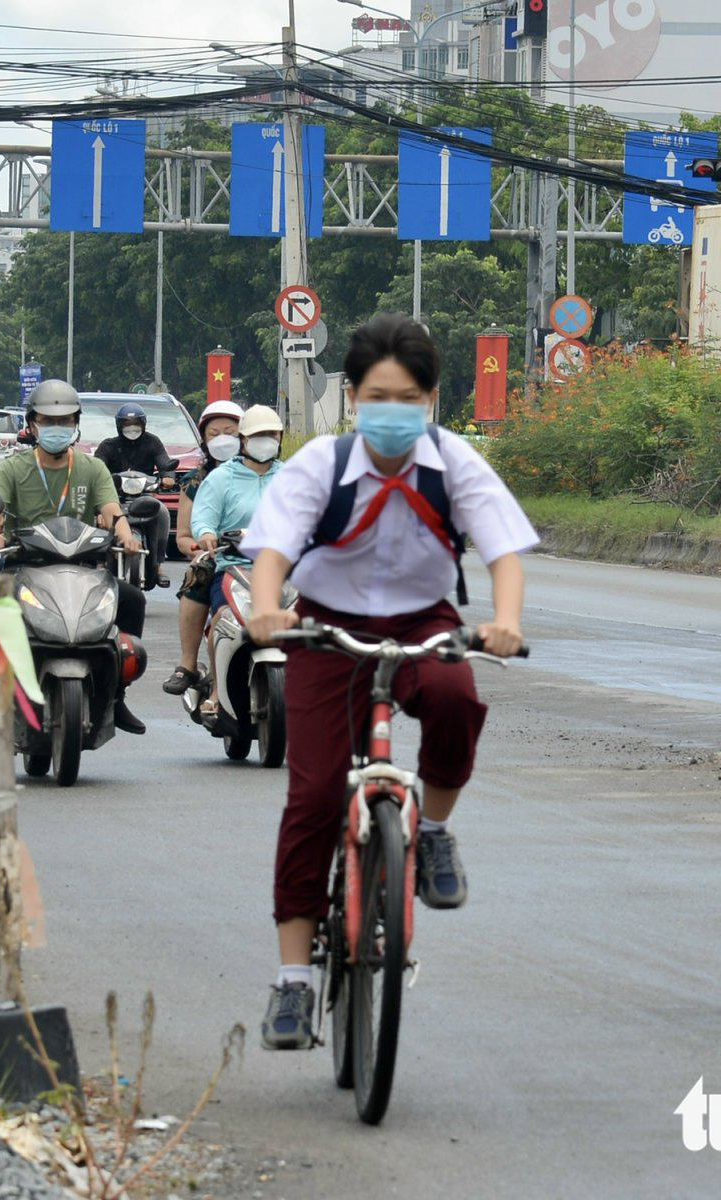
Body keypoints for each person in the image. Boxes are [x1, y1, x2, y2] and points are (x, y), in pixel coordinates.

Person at [242, 314, 535, 1050]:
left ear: (431, 400)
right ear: (353, 396)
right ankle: (293, 983)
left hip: (421, 620)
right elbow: (275, 545)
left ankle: (432, 832)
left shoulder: (452, 462)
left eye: (409, 396)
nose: (394, 410)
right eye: (378, 395)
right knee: (311, 796)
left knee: (456, 698)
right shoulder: (321, 464)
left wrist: (504, 620)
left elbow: (502, 549)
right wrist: (268, 608)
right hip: (325, 627)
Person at [0, 379, 149, 735]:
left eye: (65, 421)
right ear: (32, 424)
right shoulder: (14, 468)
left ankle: (117, 693)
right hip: (24, 564)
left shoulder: (91, 468)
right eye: (48, 420)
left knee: (132, 599)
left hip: (84, 565)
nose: (57, 428)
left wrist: (126, 536)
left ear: (76, 425)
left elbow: (112, 509)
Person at [187, 405, 287, 717]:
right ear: (244, 441)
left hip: (285, 570)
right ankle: (218, 692)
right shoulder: (221, 478)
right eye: (258, 436)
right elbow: (203, 518)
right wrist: (206, 535)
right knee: (223, 620)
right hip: (232, 566)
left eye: (271, 435)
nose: (265, 441)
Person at [165, 399, 246, 695]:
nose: (223, 439)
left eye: (231, 432)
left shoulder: (269, 475)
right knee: (199, 574)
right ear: (203, 439)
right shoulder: (196, 482)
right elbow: (183, 536)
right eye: (215, 433)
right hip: (219, 557)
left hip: (261, 557)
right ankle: (189, 663)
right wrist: (201, 548)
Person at [93, 401, 179, 589]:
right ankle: (98, 560)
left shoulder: (152, 442)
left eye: (136, 425)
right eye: (127, 425)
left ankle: (157, 565)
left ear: (143, 425)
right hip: (114, 498)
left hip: (144, 497)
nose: (132, 429)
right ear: (119, 426)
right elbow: (96, 467)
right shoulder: (108, 446)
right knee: (97, 516)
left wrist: (168, 476)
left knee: (162, 513)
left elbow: (164, 462)